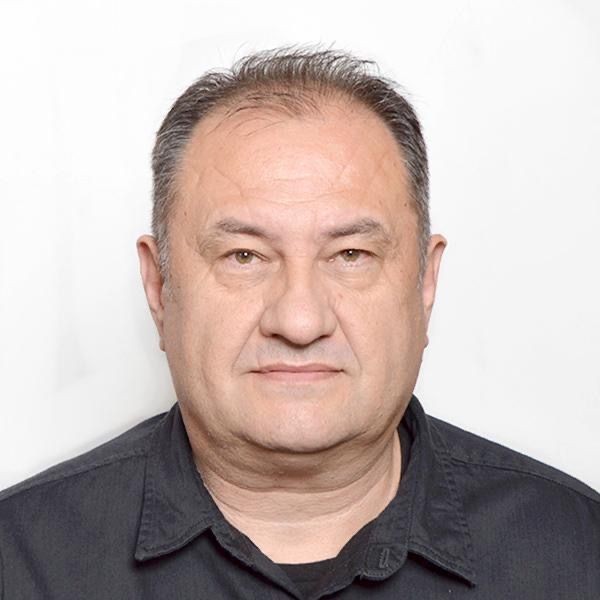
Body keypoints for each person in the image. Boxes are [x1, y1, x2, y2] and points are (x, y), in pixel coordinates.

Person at [0, 46, 598, 599]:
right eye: (244, 257)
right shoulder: (20, 562)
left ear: (425, 282)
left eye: (351, 256)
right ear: (159, 287)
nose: (300, 321)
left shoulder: (579, 555)